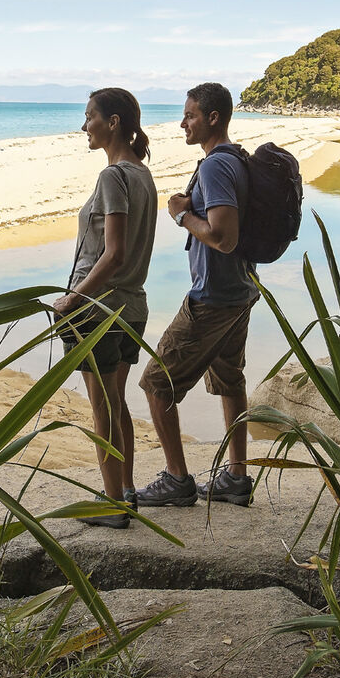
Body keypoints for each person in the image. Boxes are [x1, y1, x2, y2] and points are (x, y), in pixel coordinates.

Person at [135, 83, 258, 508]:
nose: (182, 122)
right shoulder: (236, 160)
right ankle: (236, 478)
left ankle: (176, 479)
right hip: (241, 289)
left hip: (213, 295)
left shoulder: (214, 168)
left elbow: (223, 237)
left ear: (213, 118)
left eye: (189, 115)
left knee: (156, 383)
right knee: (229, 380)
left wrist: (182, 214)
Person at [54, 87, 157, 529]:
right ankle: (126, 490)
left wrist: (73, 298)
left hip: (98, 311)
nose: (84, 126)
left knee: (103, 408)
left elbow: (111, 254)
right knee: (116, 403)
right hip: (132, 307)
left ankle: (112, 502)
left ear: (113, 122)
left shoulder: (113, 177)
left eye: (89, 116)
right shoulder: (144, 175)